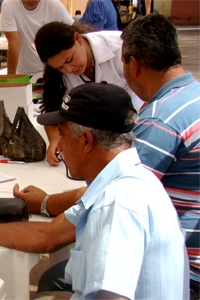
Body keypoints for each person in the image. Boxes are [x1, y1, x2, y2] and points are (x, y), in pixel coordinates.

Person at [0, 82, 189, 299]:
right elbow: (48, 235)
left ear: (86, 141)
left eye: (62, 136)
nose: (58, 148)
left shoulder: (116, 205)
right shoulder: (127, 180)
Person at [121, 14, 200, 299]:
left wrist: (46, 202)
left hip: (182, 270)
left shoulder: (160, 120)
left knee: (59, 279)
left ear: (134, 64)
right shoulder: (194, 96)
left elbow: (118, 194)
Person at [34, 21, 143, 166]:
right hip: (96, 141)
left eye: (70, 60)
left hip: (136, 128)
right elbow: (52, 111)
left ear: (78, 39)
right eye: (60, 67)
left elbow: (151, 92)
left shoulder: (121, 48)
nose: (69, 69)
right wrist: (55, 140)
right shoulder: (58, 72)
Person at [0, 0, 74, 75]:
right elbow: (14, 43)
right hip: (24, 72)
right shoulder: (9, 5)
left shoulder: (53, 4)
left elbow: (72, 32)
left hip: (52, 71)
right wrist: (11, 77)